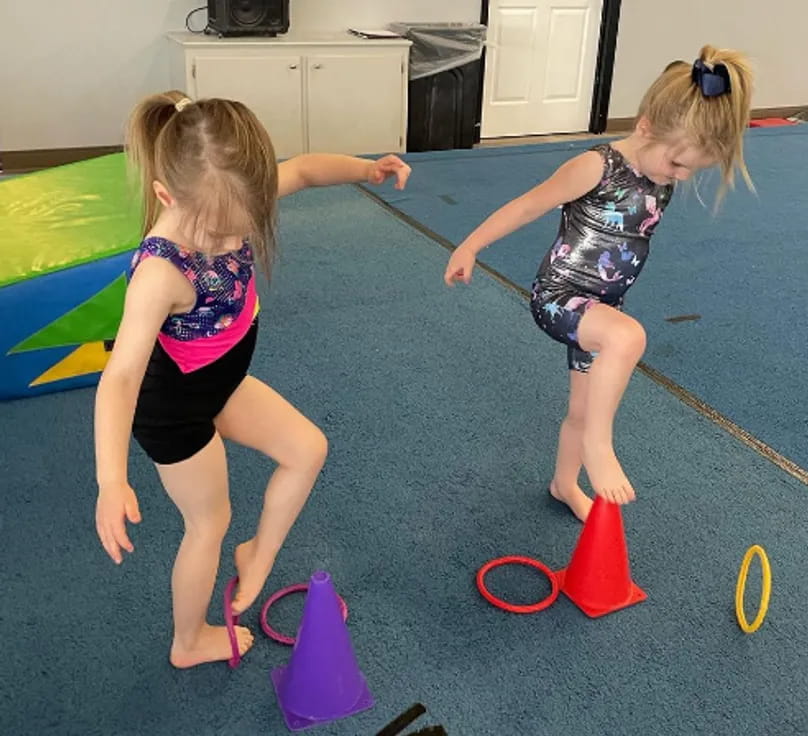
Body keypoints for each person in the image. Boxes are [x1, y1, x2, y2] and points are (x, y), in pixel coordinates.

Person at [93, 90, 410, 668]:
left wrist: (370, 167)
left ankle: (258, 553)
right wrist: (111, 480)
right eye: (217, 236)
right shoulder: (161, 272)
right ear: (167, 197)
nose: (231, 245)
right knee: (208, 522)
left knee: (308, 449)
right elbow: (119, 381)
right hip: (174, 411)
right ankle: (188, 642)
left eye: (244, 230)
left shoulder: (234, 190)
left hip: (220, 380)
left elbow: (309, 169)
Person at [443, 47, 753, 522]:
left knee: (584, 405)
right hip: (559, 298)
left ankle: (564, 482)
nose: (681, 176)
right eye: (677, 164)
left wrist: (673, 167)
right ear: (646, 125)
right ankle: (597, 446)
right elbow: (530, 204)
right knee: (628, 338)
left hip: (605, 305)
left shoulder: (659, 173)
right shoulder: (598, 166)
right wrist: (470, 246)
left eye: (692, 169)